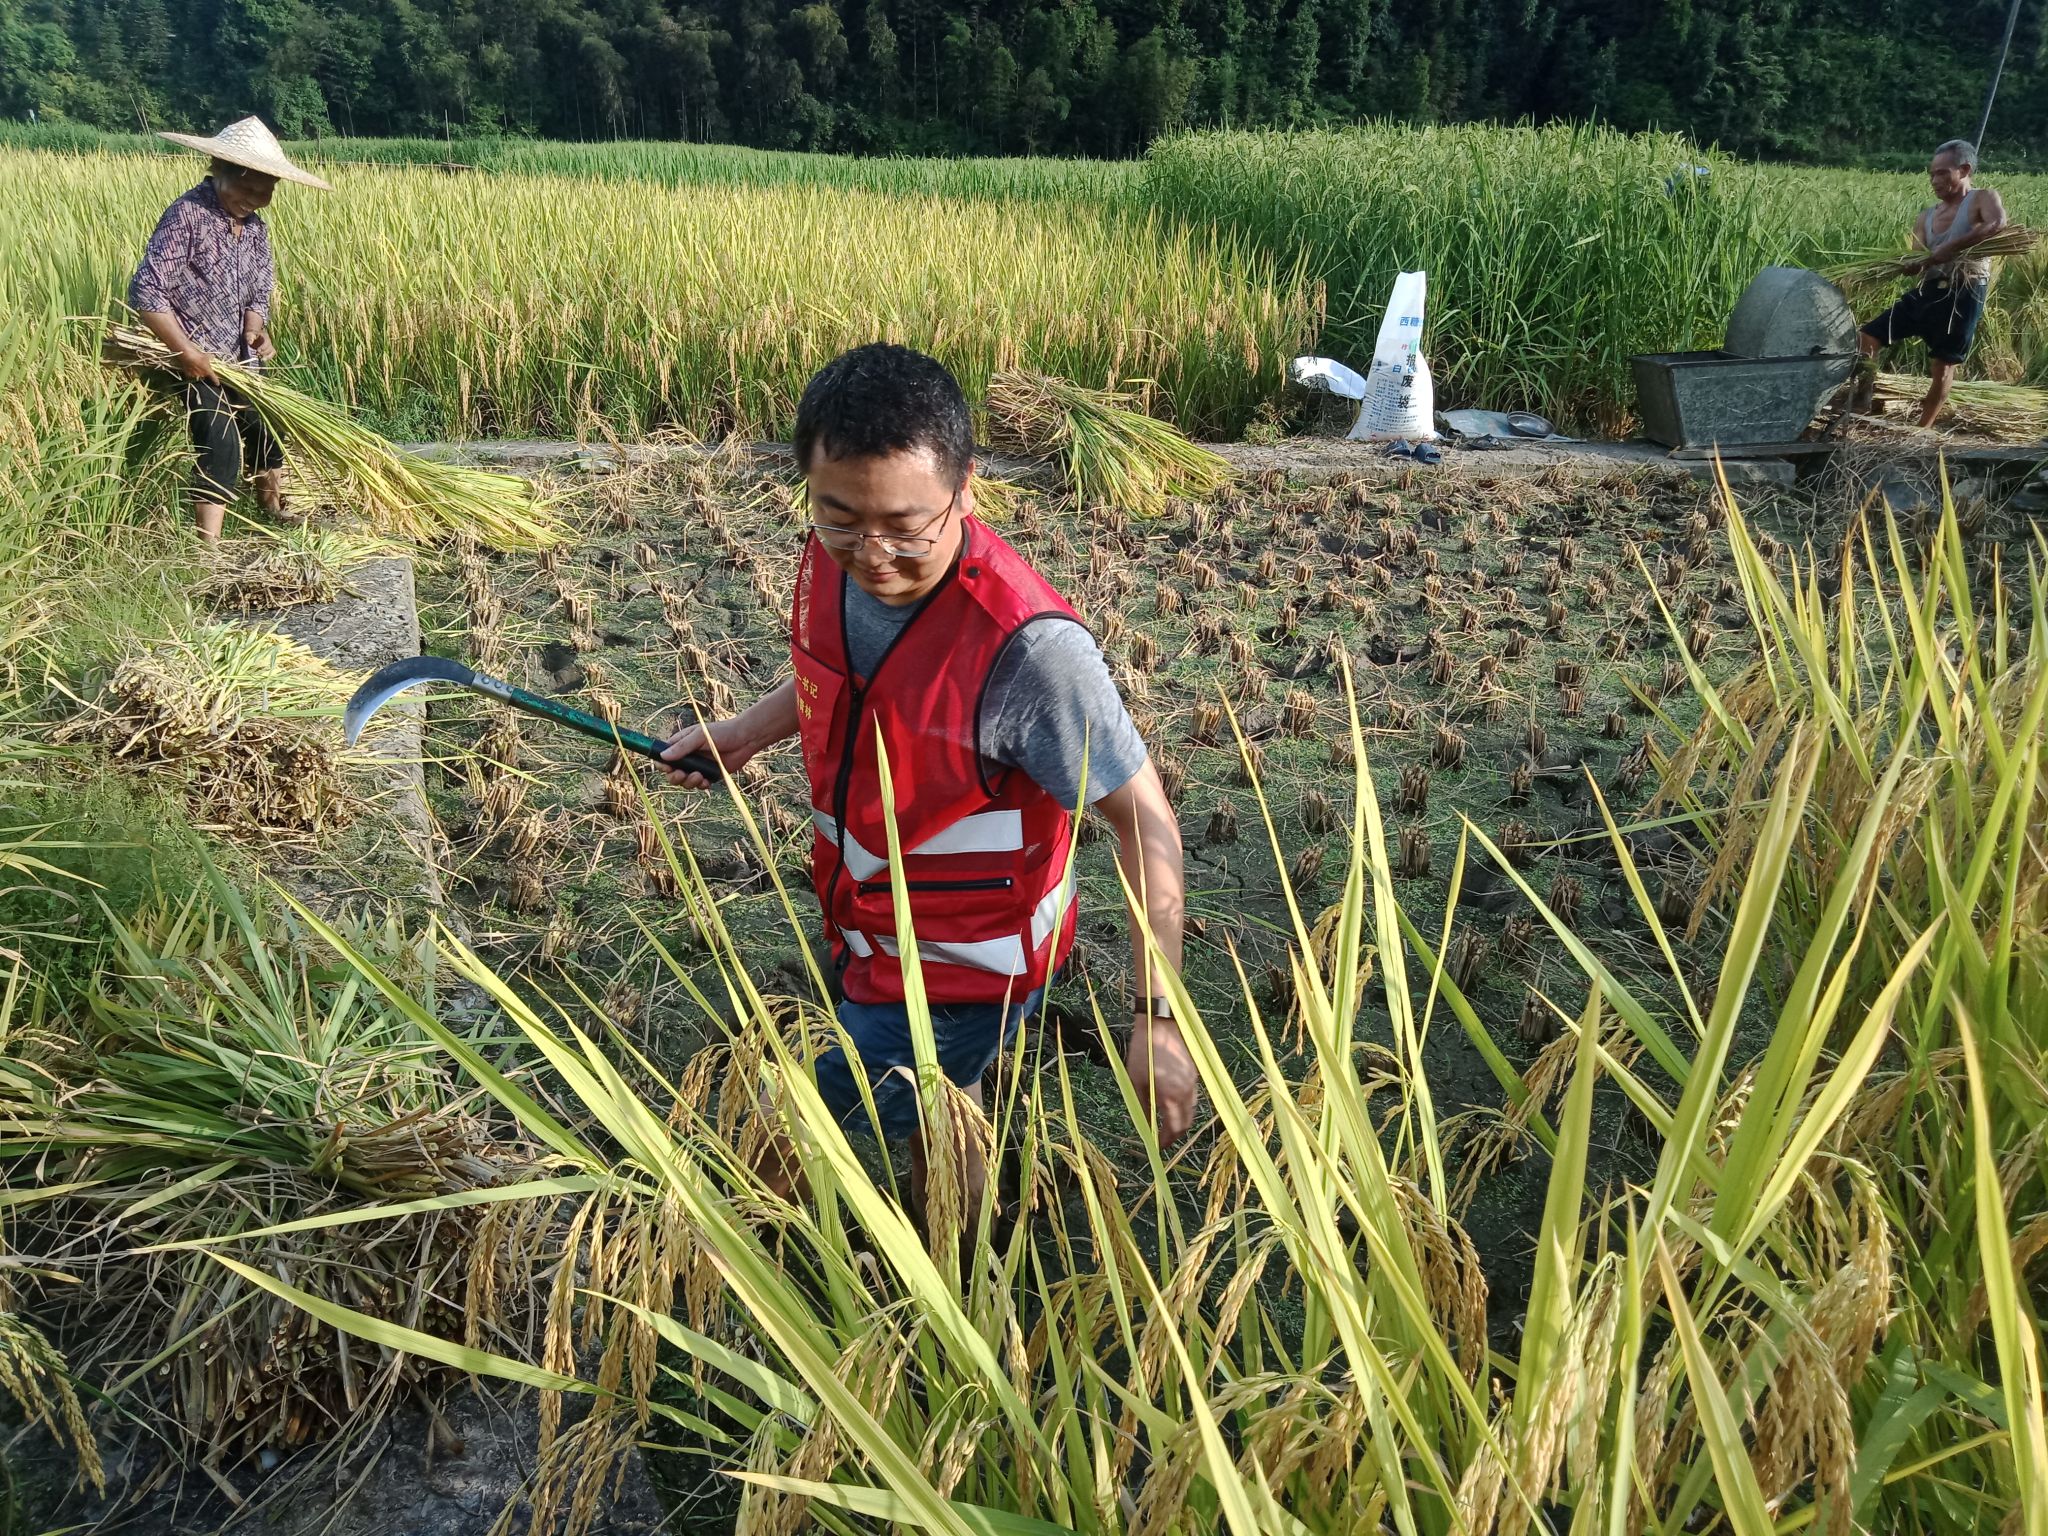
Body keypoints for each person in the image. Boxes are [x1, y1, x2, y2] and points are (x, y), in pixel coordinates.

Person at [661, 343, 1197, 1222]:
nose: (873, 554)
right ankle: (957, 1266)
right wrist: (740, 736)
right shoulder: (828, 563)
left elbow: (1147, 825)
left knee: (787, 1140)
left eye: (907, 527)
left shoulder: (1031, 653)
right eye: (840, 518)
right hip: (868, 925)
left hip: (966, 964)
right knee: (949, 1119)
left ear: (966, 488)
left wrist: (1158, 1020)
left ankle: (738, 1265)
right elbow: (837, 675)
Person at [128, 117, 331, 540]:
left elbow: (259, 291)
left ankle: (271, 508)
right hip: (190, 357)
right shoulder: (188, 215)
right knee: (219, 443)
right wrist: (187, 353)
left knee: (266, 424)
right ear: (221, 169)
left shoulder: (255, 229)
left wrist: (256, 330)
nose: (257, 200)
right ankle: (210, 551)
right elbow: (147, 291)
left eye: (267, 192)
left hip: (239, 356)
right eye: (250, 189)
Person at [1850, 138, 2008, 428]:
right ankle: (1863, 398)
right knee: (1869, 336)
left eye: (1942, 173)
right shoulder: (1927, 215)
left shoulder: (1983, 198)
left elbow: (1997, 224)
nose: (1935, 180)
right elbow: (1918, 256)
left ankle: (1922, 429)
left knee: (1942, 364)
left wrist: (1952, 247)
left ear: (1964, 169)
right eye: (1931, 174)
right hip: (1928, 290)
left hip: (1964, 291)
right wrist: (1911, 264)